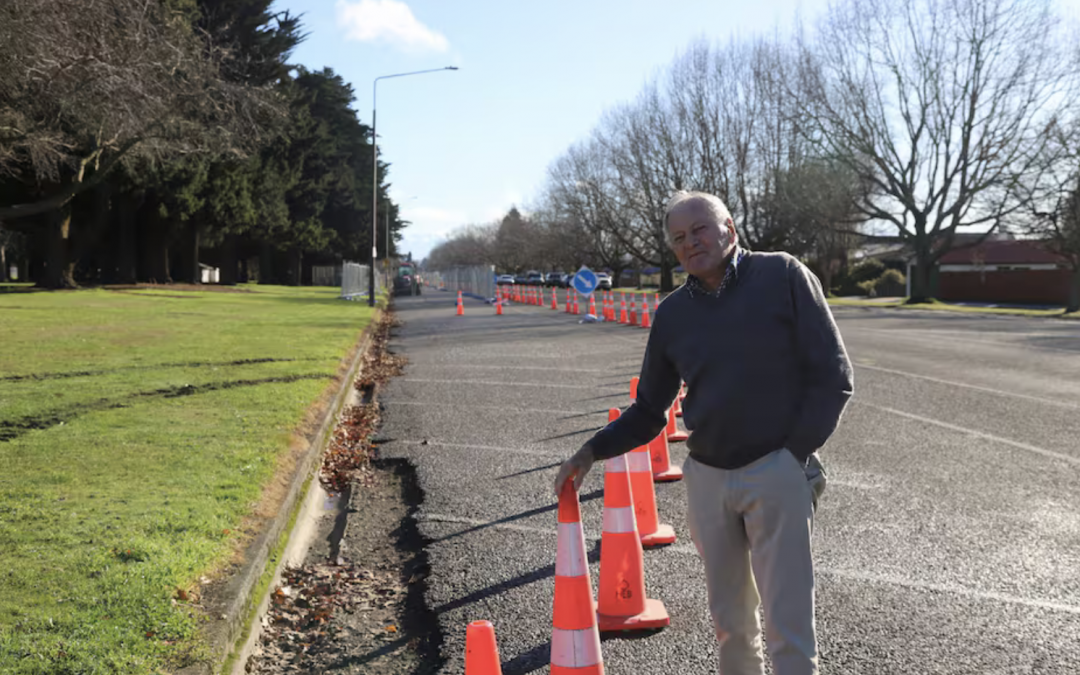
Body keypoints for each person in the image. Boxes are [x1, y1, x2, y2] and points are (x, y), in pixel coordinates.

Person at [553, 191, 853, 675]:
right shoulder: (673, 313)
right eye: (678, 238)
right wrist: (590, 451)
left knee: (788, 626)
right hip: (709, 478)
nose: (690, 243)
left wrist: (793, 455)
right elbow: (651, 408)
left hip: (775, 469)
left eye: (700, 230)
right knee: (731, 623)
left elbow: (834, 375)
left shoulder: (782, 276)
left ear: (729, 228)